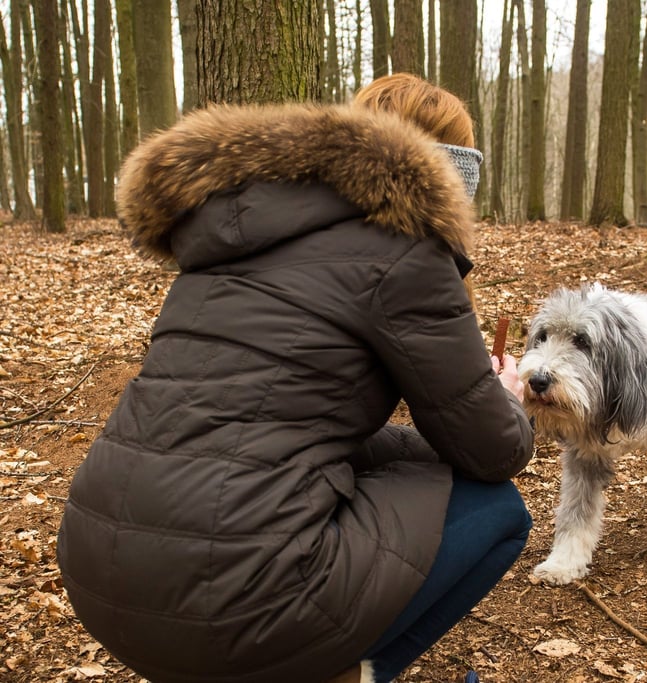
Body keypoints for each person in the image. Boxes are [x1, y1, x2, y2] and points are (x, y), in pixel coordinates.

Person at [56, 73, 534, 683]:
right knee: (498, 509)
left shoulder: (229, 237)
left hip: (102, 576)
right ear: (450, 176)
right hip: (228, 610)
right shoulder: (405, 253)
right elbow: (494, 451)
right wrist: (505, 397)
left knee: (408, 458)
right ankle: (350, 674)